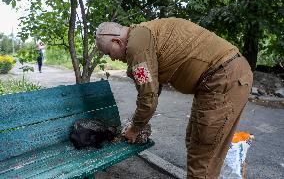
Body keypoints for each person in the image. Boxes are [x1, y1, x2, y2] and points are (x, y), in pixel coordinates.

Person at [95, 18, 253, 179]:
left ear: (117, 41)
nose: (112, 58)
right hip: (223, 77)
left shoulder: (136, 47)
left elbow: (148, 96)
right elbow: (153, 88)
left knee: (202, 158)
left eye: (109, 53)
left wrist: (135, 129)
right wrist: (140, 120)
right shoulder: (141, 34)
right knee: (195, 142)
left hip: (222, 79)